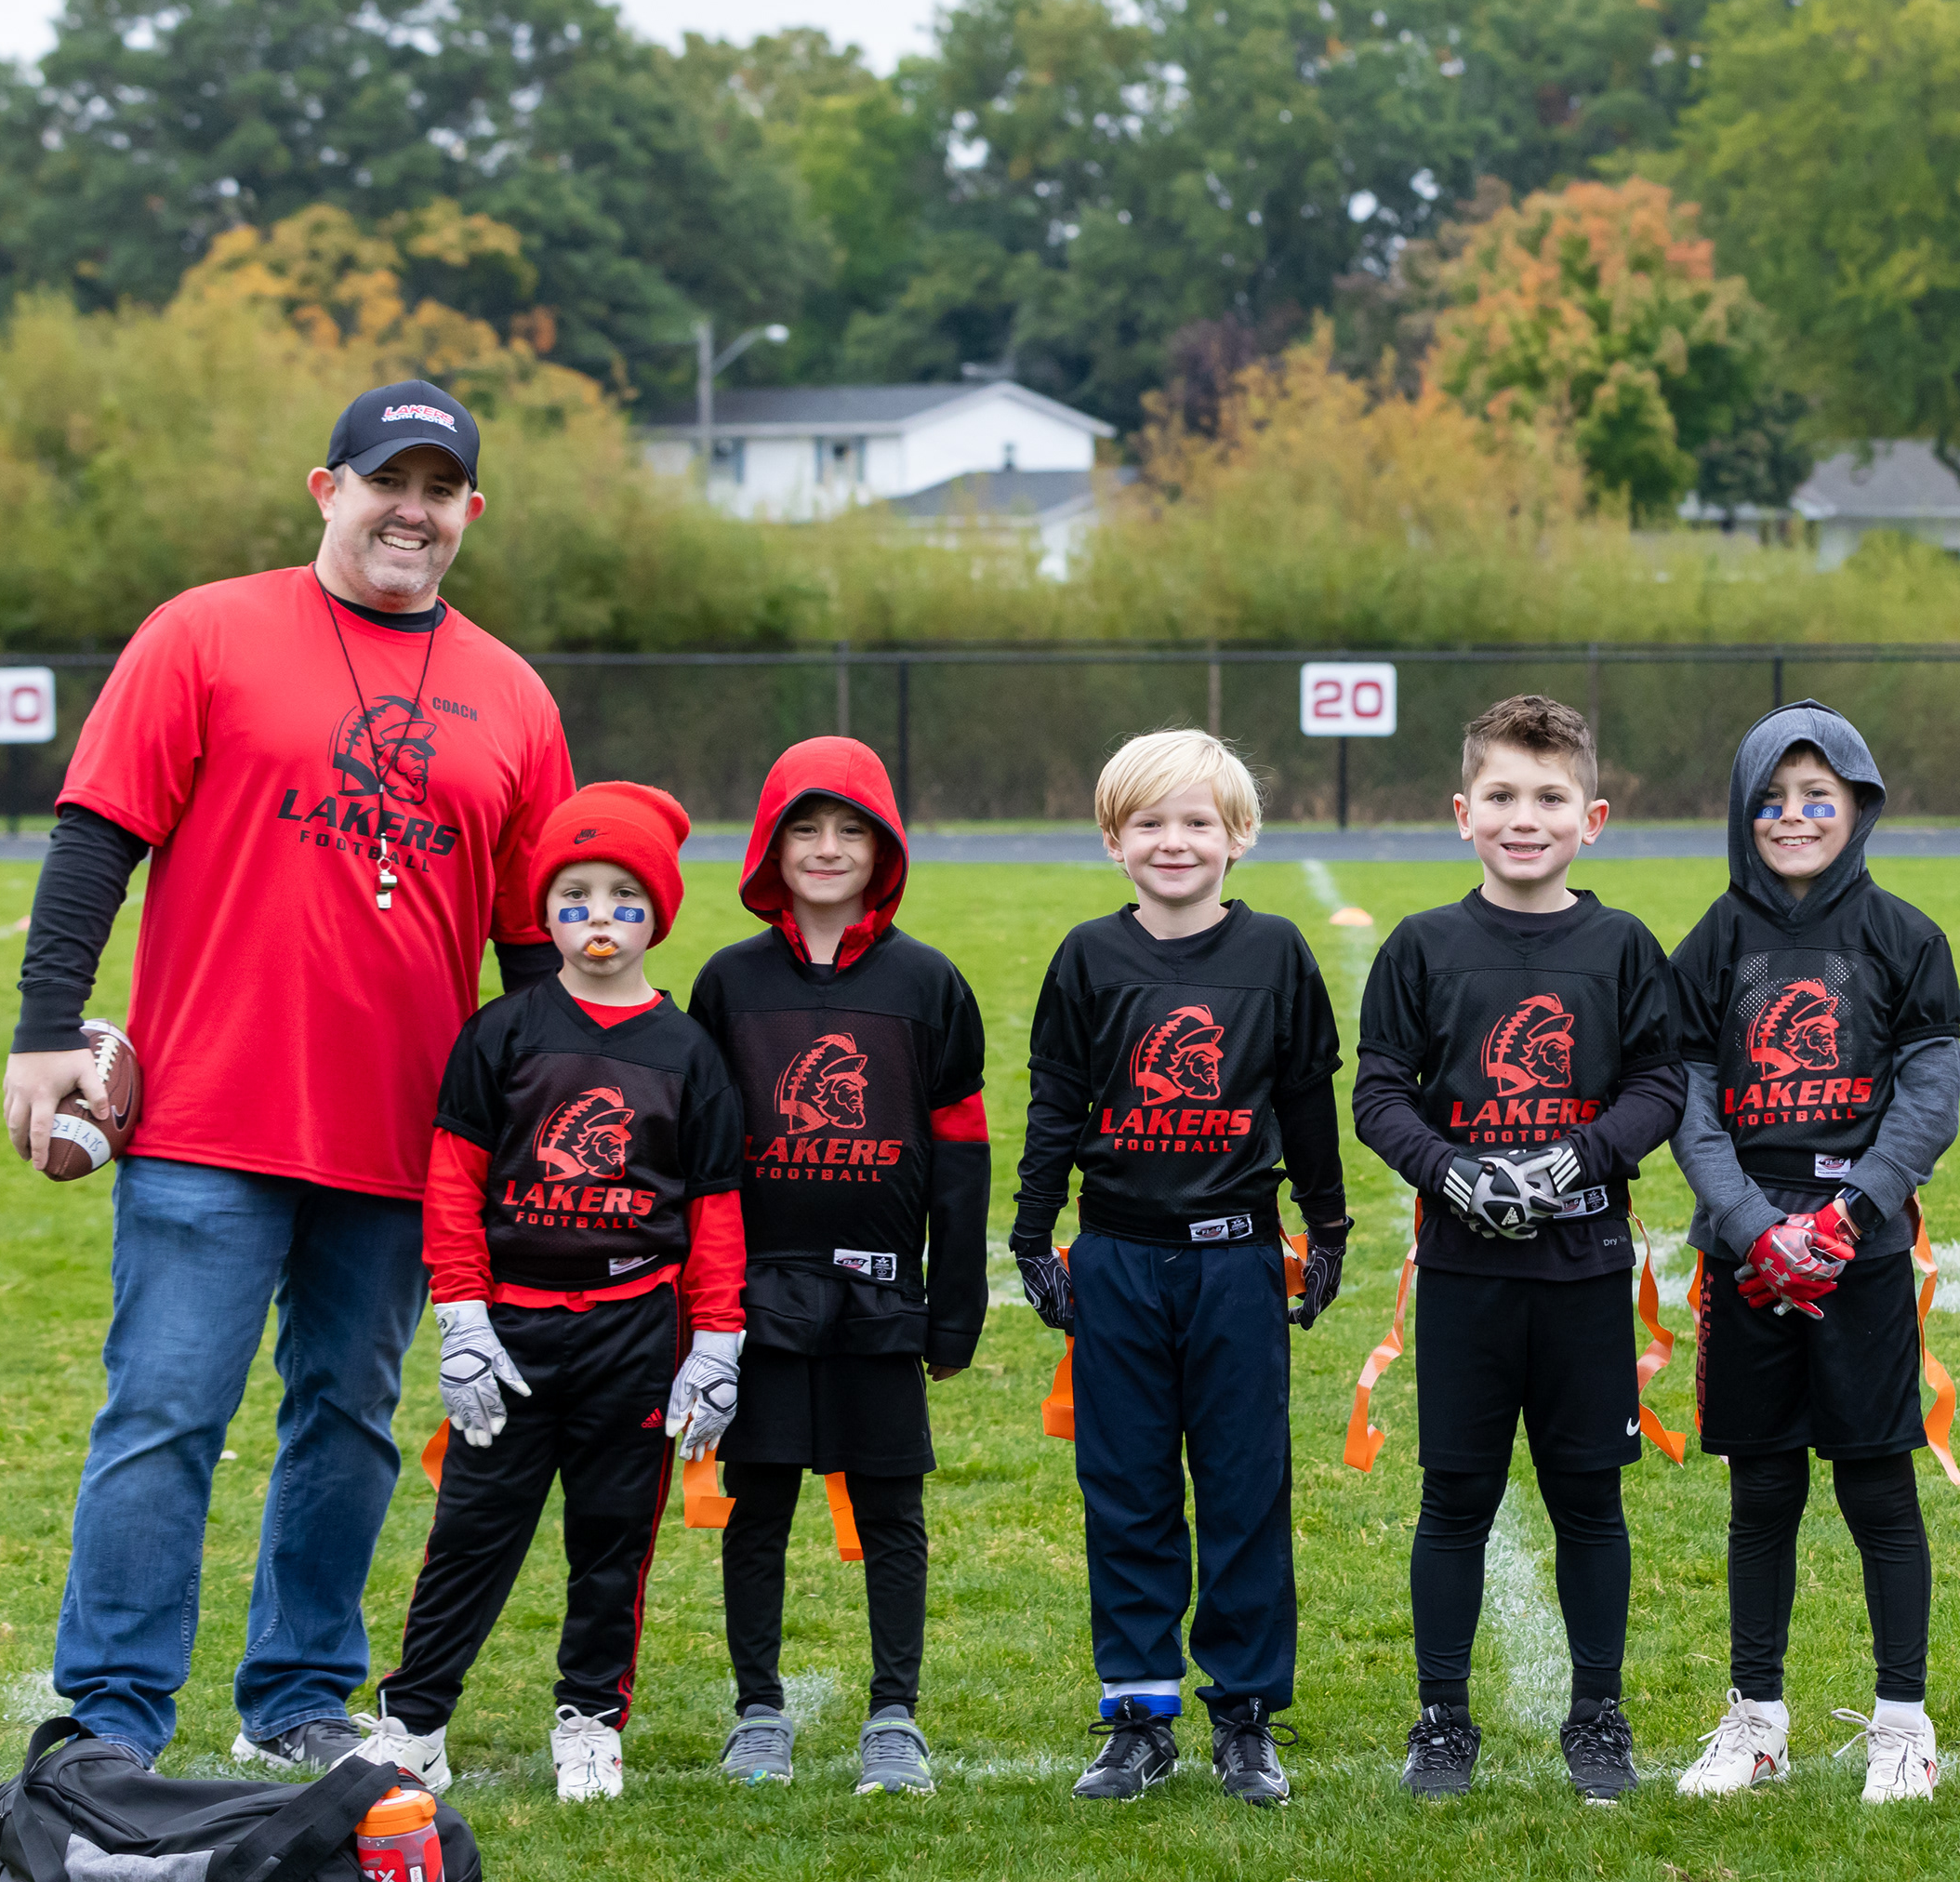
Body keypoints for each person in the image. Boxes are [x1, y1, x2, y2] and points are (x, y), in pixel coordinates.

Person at [0, 379, 576, 1770]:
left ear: (472, 510)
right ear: (329, 489)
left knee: (351, 1420)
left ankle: (301, 1693)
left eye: (439, 489)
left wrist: (544, 1124)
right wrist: (44, 1023)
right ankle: (115, 1713)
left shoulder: (514, 693)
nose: (412, 511)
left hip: (405, 1138)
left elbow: (534, 946)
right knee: (164, 1415)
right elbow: (96, 834)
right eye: (388, 481)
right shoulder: (204, 630)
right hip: (208, 1120)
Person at [354, 783, 747, 1804]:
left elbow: (714, 1209)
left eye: (624, 896)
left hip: (635, 1327)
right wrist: (462, 1317)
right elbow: (454, 1183)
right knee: (471, 1532)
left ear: (658, 912)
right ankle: (415, 1721)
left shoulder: (689, 1051)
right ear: (544, 912)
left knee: (613, 1537)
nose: (599, 917)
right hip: (512, 1327)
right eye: (575, 896)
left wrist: (718, 1339)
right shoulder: (503, 1031)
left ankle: (591, 1719)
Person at [1350, 696, 1684, 1801]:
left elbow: (1659, 1084)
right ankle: (1443, 1719)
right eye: (1501, 795)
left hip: (1581, 1269)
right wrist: (1449, 1169)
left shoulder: (1622, 945)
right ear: (1463, 812)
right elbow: (1380, 1090)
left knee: (1589, 1499)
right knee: (1456, 1496)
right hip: (1464, 1273)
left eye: (1548, 797)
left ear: (1592, 817)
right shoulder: (1422, 946)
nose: (1524, 817)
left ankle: (1599, 1712)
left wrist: (1575, 1160)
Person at [1010, 731, 1352, 1808]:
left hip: (1235, 1258)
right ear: (1114, 840)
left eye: (1196, 820)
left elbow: (1305, 1103)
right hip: (1117, 1256)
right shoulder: (1087, 956)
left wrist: (1328, 1227)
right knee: (1128, 1488)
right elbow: (1055, 1106)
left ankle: (1244, 1712)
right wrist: (1031, 1235)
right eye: (1149, 821)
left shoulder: (1277, 952)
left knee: (1245, 1487)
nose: (1174, 840)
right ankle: (1139, 1713)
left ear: (1236, 835)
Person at [1667, 702, 1960, 1804]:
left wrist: (1850, 1214)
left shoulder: (1904, 936)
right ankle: (1757, 1717)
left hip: (1860, 1253)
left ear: (1859, 806)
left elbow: (1929, 1094)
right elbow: (1689, 1098)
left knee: (1878, 1483)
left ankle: (1903, 1722)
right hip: (1747, 1255)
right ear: (1741, 812)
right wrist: (1752, 1224)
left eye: (1817, 798)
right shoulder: (1712, 940)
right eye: (1771, 799)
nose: (1793, 817)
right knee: (1763, 1487)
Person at [683, 739, 989, 1796]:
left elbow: (961, 1162)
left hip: (880, 1298)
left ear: (884, 847)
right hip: (759, 1298)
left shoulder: (927, 982)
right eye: (804, 828)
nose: (826, 848)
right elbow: (699, 1160)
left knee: (892, 1508)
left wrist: (953, 1307)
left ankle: (894, 1715)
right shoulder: (728, 984)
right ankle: (758, 1711)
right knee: (758, 1501)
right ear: (771, 846)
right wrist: (702, 1308)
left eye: (850, 829)